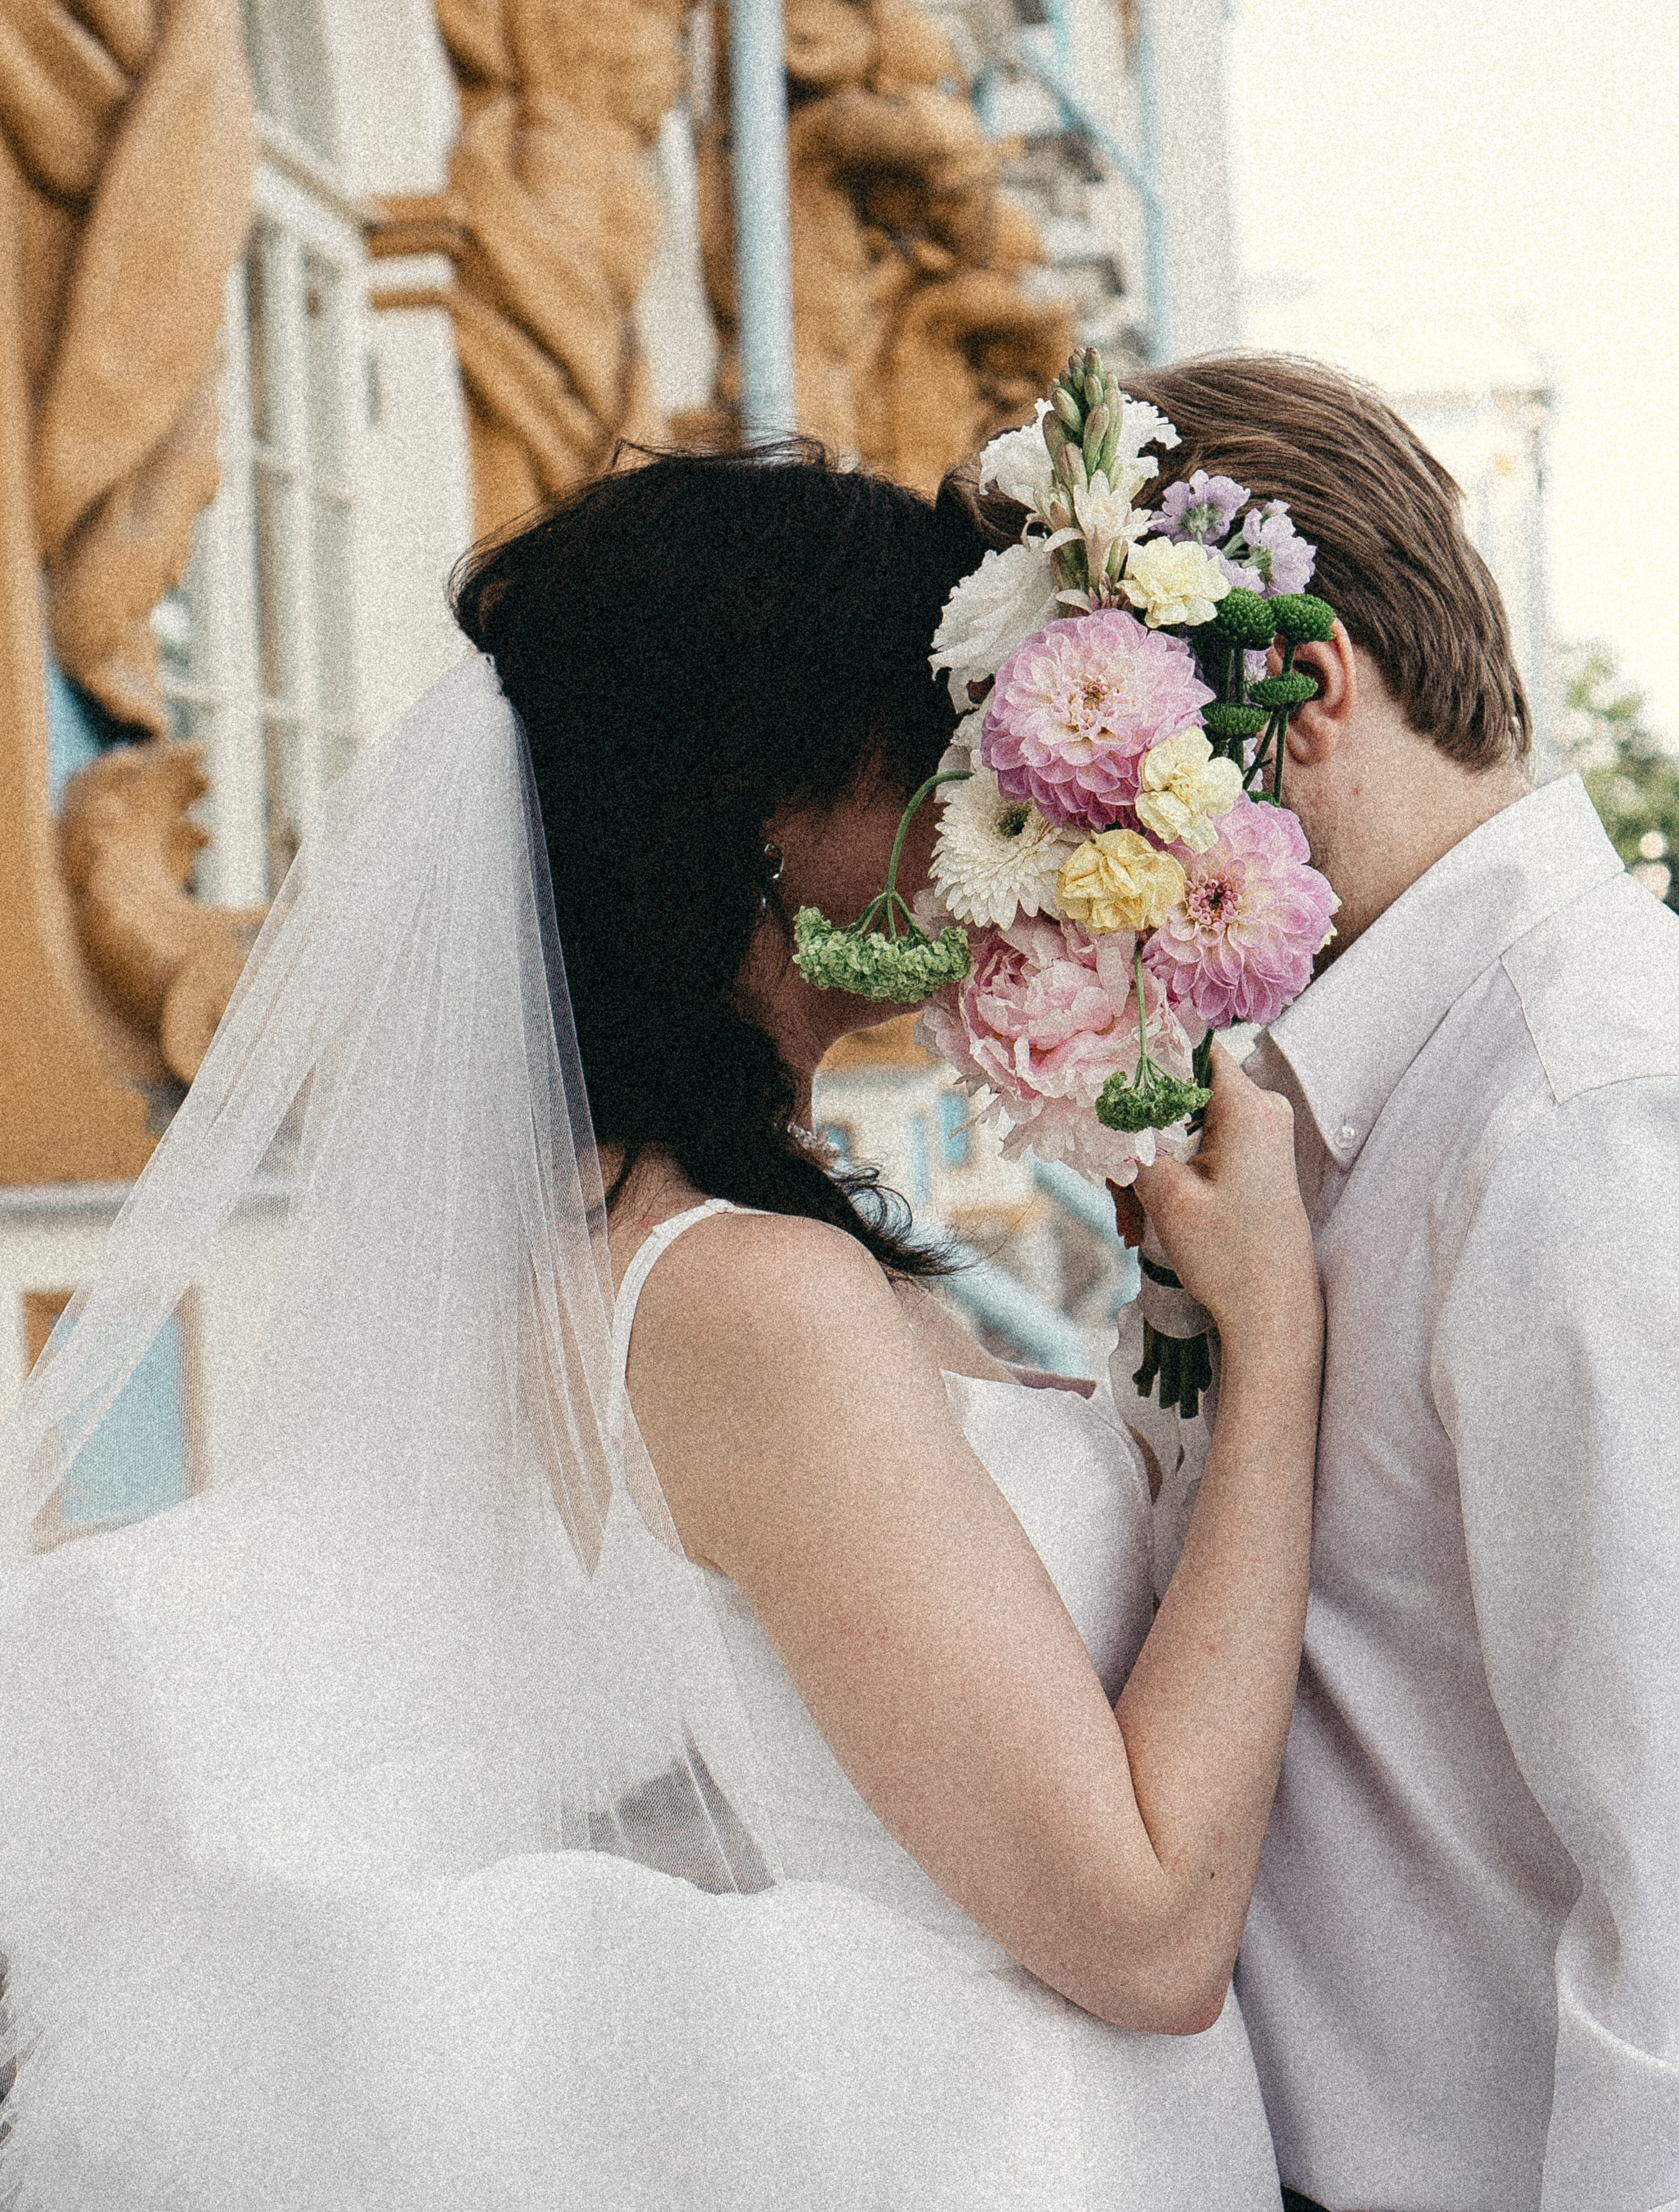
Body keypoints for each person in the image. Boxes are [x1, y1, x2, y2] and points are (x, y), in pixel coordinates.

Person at [0, 447, 1321, 2208]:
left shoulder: (662, 1230)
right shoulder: (746, 1295)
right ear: (768, 811)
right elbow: (1149, 1934)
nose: (988, 800)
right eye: (932, 742)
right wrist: (1277, 1344)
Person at [1118, 354, 1679, 2212]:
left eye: (1099, 783)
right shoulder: (1330, 1097)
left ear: (1296, 693)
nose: (1084, 867)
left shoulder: (1586, 1112)